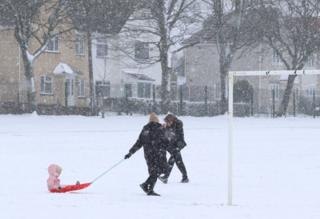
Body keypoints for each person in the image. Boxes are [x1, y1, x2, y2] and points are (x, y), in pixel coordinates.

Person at [124, 112, 168, 196]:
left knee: (153, 171)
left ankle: (147, 187)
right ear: (157, 120)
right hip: (159, 154)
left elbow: (139, 142)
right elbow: (166, 141)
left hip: (148, 154)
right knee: (161, 170)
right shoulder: (160, 128)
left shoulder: (145, 129)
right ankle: (148, 187)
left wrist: (130, 152)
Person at [159, 113, 189, 183]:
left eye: (167, 122)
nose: (166, 123)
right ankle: (185, 177)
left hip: (178, 144)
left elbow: (176, 135)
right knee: (178, 161)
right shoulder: (170, 125)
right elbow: (166, 135)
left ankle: (166, 176)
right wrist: (163, 128)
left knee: (172, 159)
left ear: (171, 121)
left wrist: (168, 129)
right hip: (172, 145)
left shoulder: (178, 124)